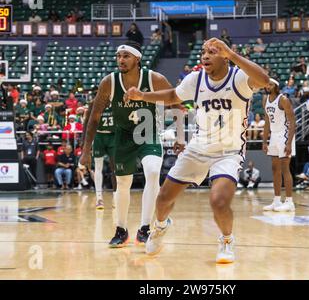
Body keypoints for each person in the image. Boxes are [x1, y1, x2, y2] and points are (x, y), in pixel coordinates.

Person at [126, 37, 270, 263]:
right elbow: (174, 96)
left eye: (212, 52)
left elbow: (264, 80)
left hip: (228, 151)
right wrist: (143, 96)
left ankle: (226, 240)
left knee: (219, 201)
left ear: (224, 55)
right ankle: (161, 226)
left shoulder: (239, 77)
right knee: (163, 199)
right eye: (203, 52)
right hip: (197, 148)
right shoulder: (196, 79)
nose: (205, 56)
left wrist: (232, 54)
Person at [80, 41, 183, 247]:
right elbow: (94, 117)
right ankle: (121, 229)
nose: (121, 60)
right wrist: (86, 149)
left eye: (126, 56)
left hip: (148, 133)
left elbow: (178, 105)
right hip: (124, 136)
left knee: (153, 172)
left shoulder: (155, 79)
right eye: (118, 56)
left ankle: (144, 228)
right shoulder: (109, 82)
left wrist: (180, 138)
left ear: (137, 59)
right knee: (123, 184)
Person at [262, 78, 296, 212]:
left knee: (285, 168)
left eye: (270, 84)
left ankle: (289, 201)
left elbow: (293, 121)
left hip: (285, 134)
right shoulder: (265, 100)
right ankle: (276, 200)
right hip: (274, 136)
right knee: (275, 168)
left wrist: (289, 142)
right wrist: (265, 141)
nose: (267, 86)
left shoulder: (283, 100)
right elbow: (267, 122)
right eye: (266, 84)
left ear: (276, 86)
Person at [83, 90, 116, 209]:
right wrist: (84, 146)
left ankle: (115, 197)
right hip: (99, 136)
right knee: (98, 167)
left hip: (113, 136)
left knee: (115, 168)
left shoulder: (116, 103)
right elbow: (86, 125)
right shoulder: (93, 104)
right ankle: (99, 198)